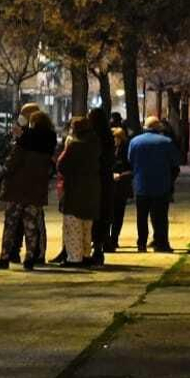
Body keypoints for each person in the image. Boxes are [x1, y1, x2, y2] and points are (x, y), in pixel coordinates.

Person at [0, 106, 52, 270]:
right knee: (31, 225)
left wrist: (2, 171)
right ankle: (30, 258)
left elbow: (12, 164)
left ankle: (5, 257)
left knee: (11, 224)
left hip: (18, 189)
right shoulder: (48, 144)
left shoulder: (24, 142)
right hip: (36, 189)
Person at [128, 115, 180, 253]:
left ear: (145, 127)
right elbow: (175, 163)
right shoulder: (167, 142)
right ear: (159, 127)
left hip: (141, 184)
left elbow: (131, 160)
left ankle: (141, 243)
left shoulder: (134, 142)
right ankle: (161, 243)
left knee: (142, 216)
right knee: (161, 217)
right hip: (161, 185)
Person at [55, 115, 102, 267]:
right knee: (86, 225)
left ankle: (75, 258)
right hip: (92, 189)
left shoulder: (75, 145)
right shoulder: (95, 144)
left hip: (75, 189)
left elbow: (61, 164)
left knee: (73, 225)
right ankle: (86, 254)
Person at [87, 107, 115, 266]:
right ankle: (100, 247)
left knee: (93, 215)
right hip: (106, 180)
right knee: (103, 215)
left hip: (95, 180)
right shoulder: (108, 137)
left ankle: (93, 248)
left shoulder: (92, 137)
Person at [107, 123, 133, 253]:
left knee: (118, 214)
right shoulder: (109, 151)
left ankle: (114, 238)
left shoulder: (125, 151)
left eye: (116, 138)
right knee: (109, 213)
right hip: (110, 185)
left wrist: (121, 175)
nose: (114, 140)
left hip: (121, 186)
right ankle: (107, 239)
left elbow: (130, 168)